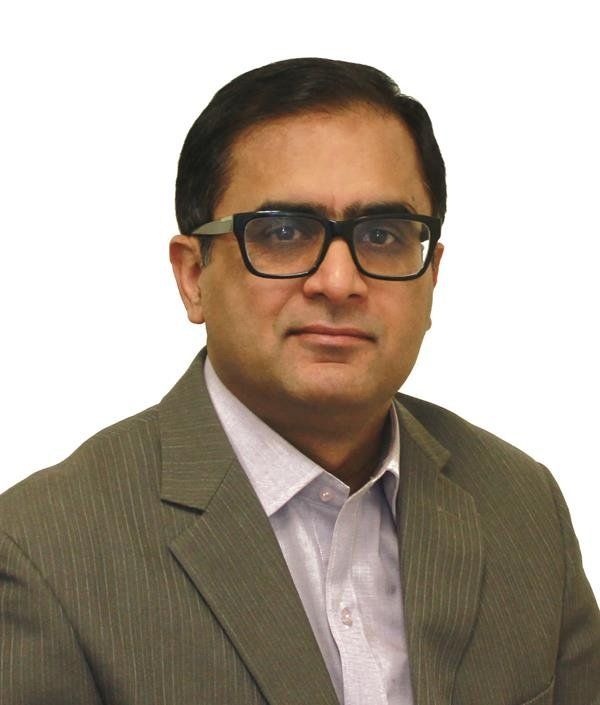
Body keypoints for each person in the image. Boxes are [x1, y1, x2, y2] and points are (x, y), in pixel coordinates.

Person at [0, 57, 598, 705]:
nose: (339, 282)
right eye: (283, 232)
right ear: (194, 276)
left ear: (431, 277)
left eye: (383, 235)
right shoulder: (44, 551)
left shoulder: (522, 505)